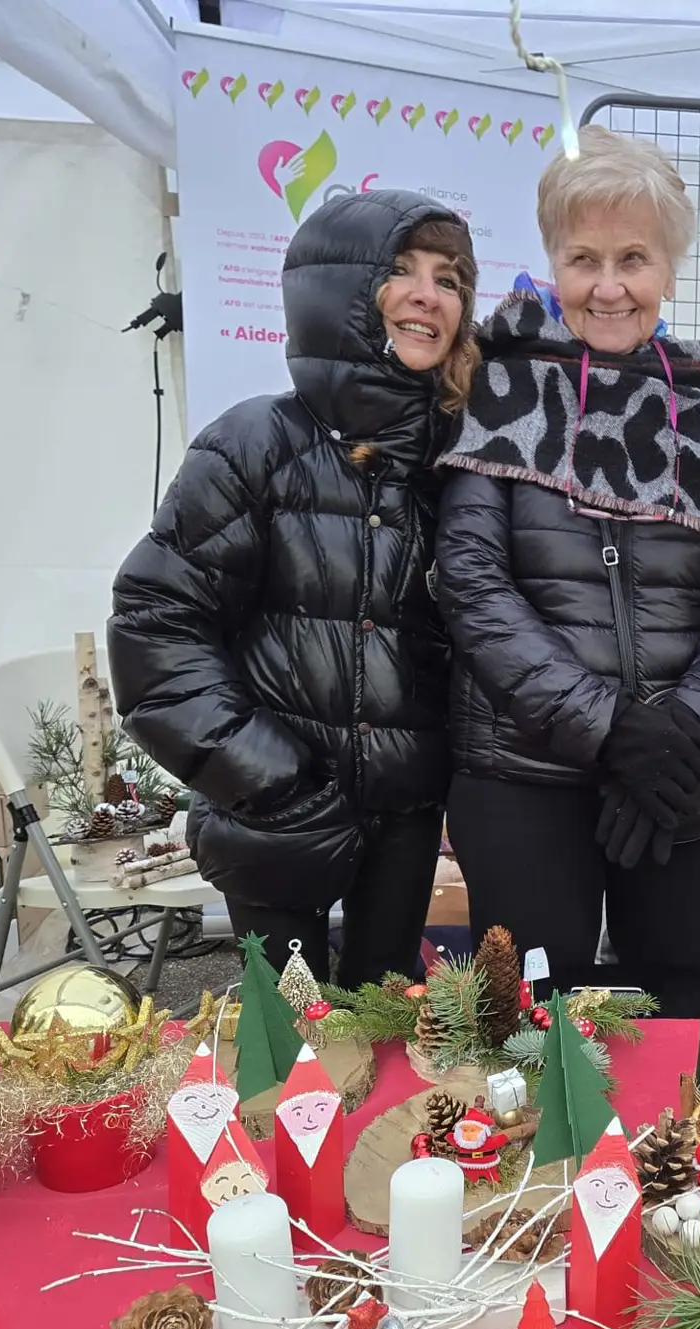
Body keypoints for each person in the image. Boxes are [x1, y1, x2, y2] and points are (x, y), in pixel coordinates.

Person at [437, 127, 700, 1018]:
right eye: (584, 259)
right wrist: (610, 726)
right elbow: (472, 583)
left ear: (670, 269)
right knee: (529, 1010)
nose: (609, 286)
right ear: (553, 260)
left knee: (677, 1001)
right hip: (522, 768)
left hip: (682, 767)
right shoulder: (497, 389)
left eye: (634, 259)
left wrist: (684, 728)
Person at [109, 191, 477, 988]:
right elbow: (156, 622)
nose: (429, 295)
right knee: (284, 1040)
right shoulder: (256, 445)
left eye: (449, 279)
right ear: (340, 291)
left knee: (387, 1027)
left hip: (406, 818)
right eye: (401, 270)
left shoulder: (455, 463)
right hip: (276, 810)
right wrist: (267, 777)